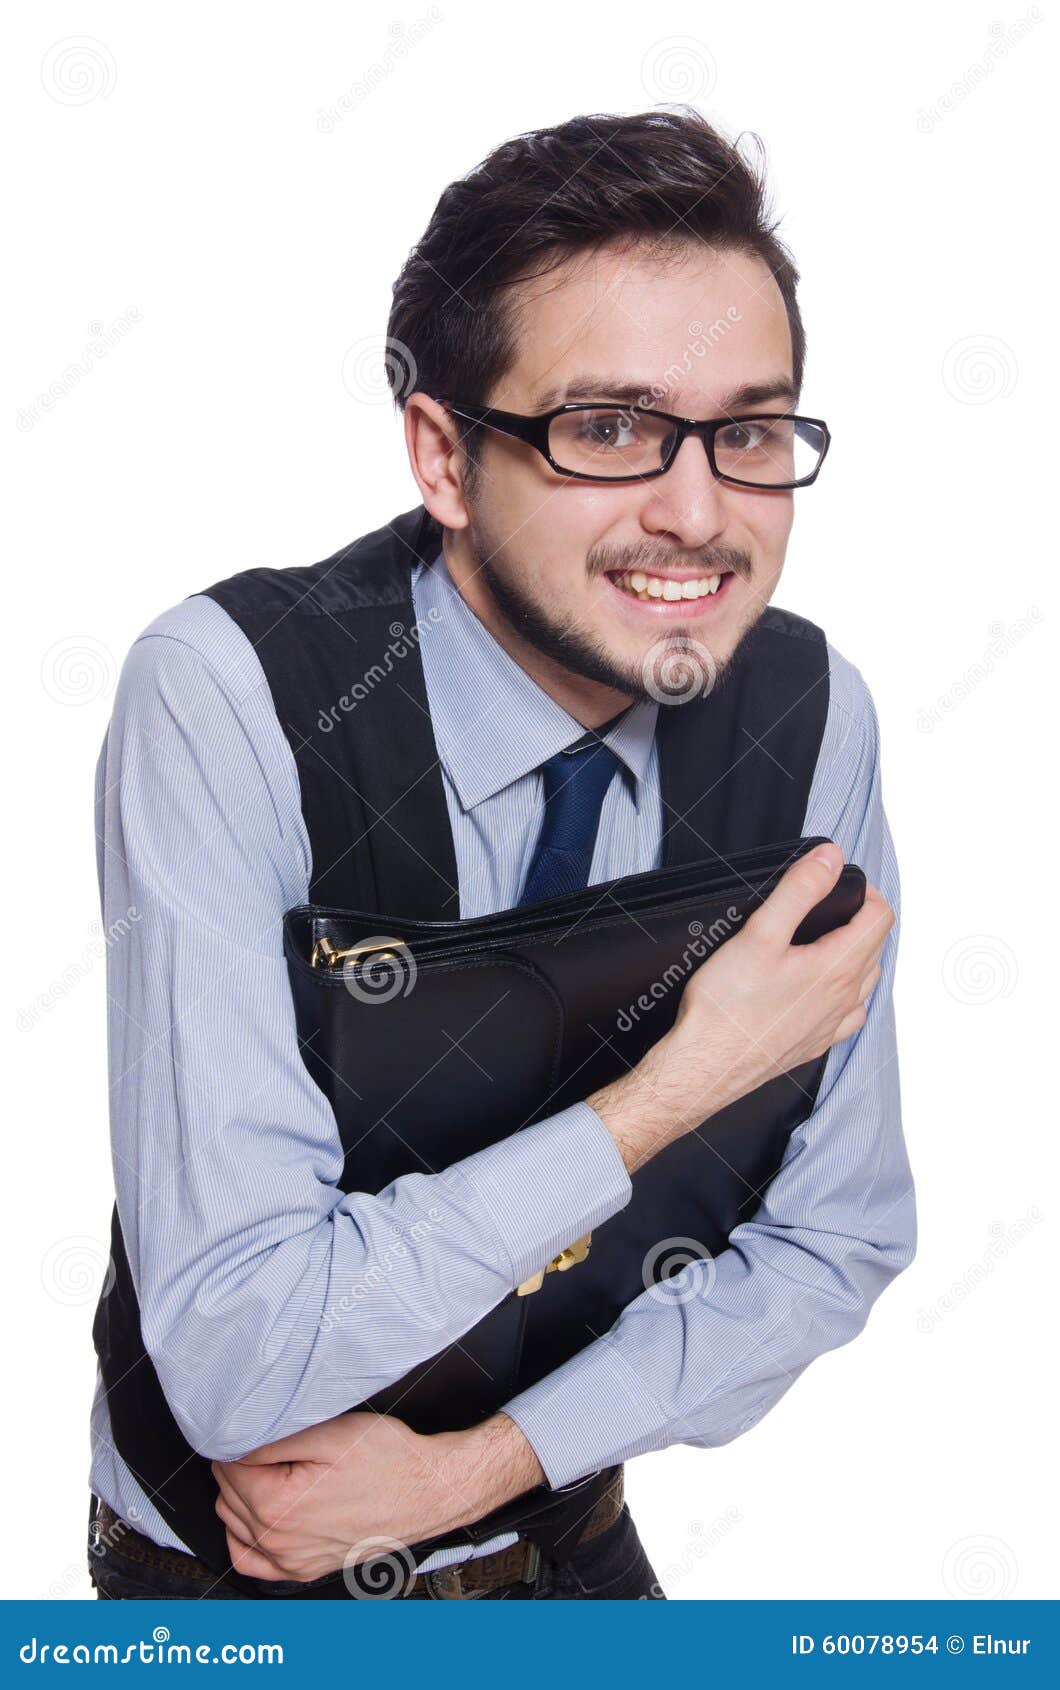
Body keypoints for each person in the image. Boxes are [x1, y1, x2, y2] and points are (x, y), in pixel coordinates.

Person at [87, 107, 915, 1602]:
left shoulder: (810, 715)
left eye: (748, 430)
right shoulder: (229, 697)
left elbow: (836, 1238)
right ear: (446, 456)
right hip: (240, 1584)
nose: (698, 511)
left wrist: (486, 1464)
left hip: (563, 1521)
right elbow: (239, 1358)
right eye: (607, 429)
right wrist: (673, 1091)